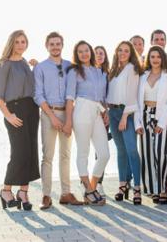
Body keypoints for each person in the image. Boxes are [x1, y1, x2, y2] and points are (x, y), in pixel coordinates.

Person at [34, 32, 83, 210]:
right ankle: (46, 196)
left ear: (62, 46)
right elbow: (38, 95)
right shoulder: (40, 68)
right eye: (52, 44)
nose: (55, 47)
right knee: (47, 157)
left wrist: (68, 121)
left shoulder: (71, 67)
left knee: (65, 155)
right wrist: (52, 117)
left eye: (58, 44)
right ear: (47, 46)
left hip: (67, 113)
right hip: (49, 114)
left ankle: (66, 193)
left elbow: (72, 93)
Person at [0, 30, 40, 211]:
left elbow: (32, 87)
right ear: (11, 43)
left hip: (31, 110)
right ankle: (6, 190)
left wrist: (36, 68)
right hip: (15, 110)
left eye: (24, 42)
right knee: (19, 153)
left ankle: (23, 192)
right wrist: (8, 115)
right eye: (18, 42)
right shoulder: (4, 64)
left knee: (30, 152)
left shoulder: (25, 63)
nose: (21, 45)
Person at [64, 40, 109, 206]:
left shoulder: (99, 71)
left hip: (97, 112)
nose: (84, 54)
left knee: (104, 154)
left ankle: (91, 188)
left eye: (86, 51)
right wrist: (68, 121)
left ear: (91, 51)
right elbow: (69, 97)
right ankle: (89, 190)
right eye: (80, 52)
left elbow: (102, 97)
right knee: (83, 152)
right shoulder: (74, 71)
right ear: (77, 55)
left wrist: (106, 112)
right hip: (81, 109)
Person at [134, 45, 167, 204]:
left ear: (162, 58)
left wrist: (163, 122)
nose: (155, 59)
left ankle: (163, 188)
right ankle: (152, 189)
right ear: (148, 59)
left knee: (161, 154)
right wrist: (137, 123)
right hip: (144, 116)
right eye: (152, 56)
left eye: (158, 56)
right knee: (147, 154)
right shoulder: (142, 76)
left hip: (161, 118)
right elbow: (136, 101)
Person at [107, 41, 143, 205]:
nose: (122, 53)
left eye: (126, 51)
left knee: (132, 151)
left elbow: (131, 96)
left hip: (125, 113)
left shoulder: (132, 69)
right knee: (120, 151)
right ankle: (122, 185)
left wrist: (124, 117)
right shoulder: (113, 70)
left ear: (131, 53)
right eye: (120, 50)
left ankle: (137, 188)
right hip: (112, 112)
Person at [94, 45, 110, 196]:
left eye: (101, 53)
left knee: (101, 151)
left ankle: (98, 182)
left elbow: (108, 97)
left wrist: (107, 113)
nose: (99, 55)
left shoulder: (107, 74)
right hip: (88, 114)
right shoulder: (87, 72)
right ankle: (85, 182)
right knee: (84, 150)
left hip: (103, 115)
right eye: (96, 53)